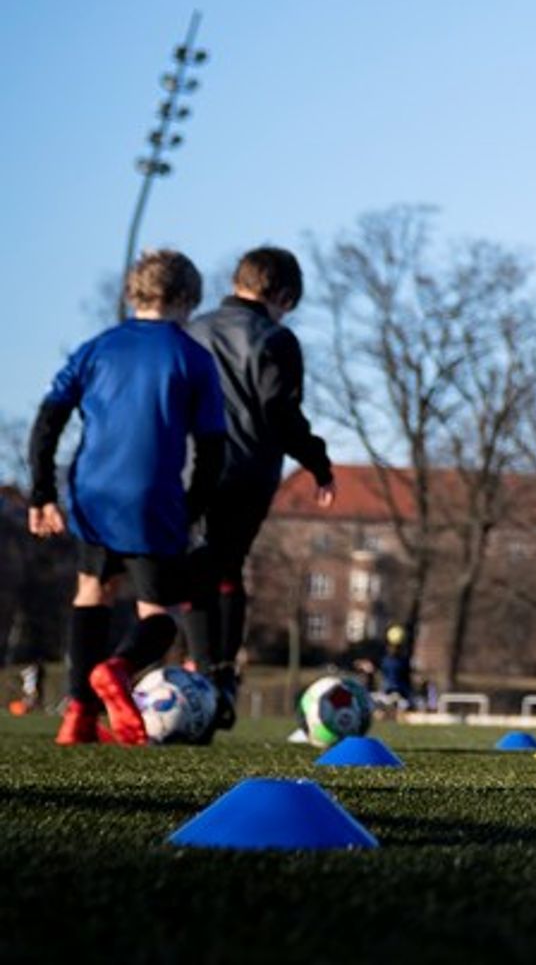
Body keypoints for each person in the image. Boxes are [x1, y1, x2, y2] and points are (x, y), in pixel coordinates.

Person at [26, 250, 228, 745]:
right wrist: (193, 509)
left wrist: (42, 492)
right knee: (160, 613)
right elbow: (213, 448)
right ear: (186, 298)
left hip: (91, 490)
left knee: (92, 592)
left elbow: (48, 419)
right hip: (152, 496)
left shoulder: (97, 348)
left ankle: (78, 716)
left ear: (134, 294)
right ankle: (115, 670)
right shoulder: (193, 358)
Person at [179, 246, 336, 730]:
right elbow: (278, 412)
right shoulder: (275, 339)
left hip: (186, 468)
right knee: (228, 569)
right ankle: (223, 675)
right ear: (284, 296)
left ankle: (201, 670)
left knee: (195, 570)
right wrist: (316, 460)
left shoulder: (190, 331)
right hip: (245, 470)